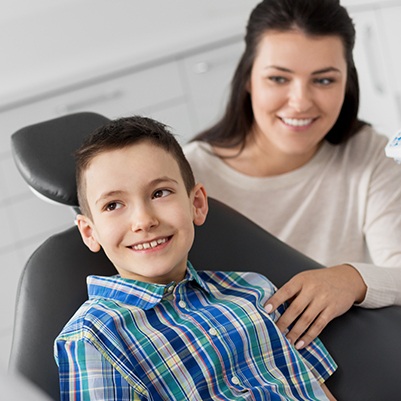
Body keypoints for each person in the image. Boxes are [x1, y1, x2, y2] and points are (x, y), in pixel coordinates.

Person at [54, 116, 337, 400]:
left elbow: (318, 390)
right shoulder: (94, 338)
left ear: (197, 204)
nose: (143, 220)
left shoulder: (254, 290)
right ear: (90, 232)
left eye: (159, 193)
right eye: (113, 205)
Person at [184, 0, 401, 352]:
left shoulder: (369, 153)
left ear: (347, 83)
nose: (300, 102)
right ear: (249, 78)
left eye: (324, 80)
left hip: (348, 352)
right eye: (279, 78)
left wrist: (351, 278)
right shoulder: (189, 176)